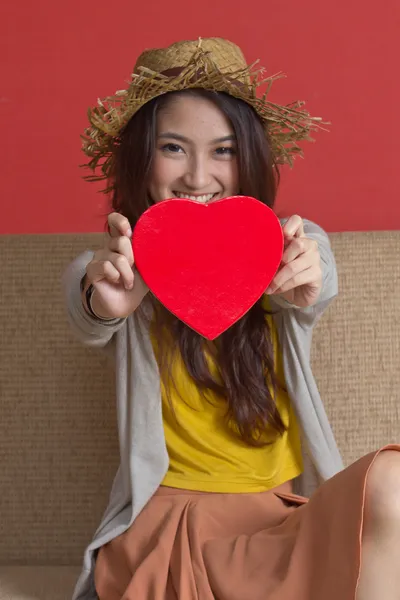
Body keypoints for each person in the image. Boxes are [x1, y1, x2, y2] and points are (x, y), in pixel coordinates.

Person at [63, 37, 400, 600]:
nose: (198, 177)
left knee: (391, 484)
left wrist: (305, 281)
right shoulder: (113, 266)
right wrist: (107, 303)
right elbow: (87, 310)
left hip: (279, 524)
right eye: (174, 147)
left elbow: (316, 281)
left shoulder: (290, 244)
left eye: (222, 151)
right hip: (168, 533)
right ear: (141, 158)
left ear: (250, 158)